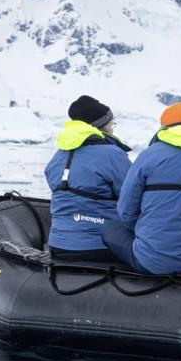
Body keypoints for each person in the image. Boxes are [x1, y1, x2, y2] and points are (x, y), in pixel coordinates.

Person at [103, 102, 181, 274]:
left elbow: (126, 212)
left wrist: (148, 233)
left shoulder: (149, 155)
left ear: (164, 127)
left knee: (110, 227)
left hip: (152, 262)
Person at [43, 95, 131, 262]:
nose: (113, 129)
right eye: (111, 124)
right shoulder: (112, 155)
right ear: (100, 126)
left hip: (57, 245)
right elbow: (133, 197)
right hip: (101, 246)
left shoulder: (59, 156)